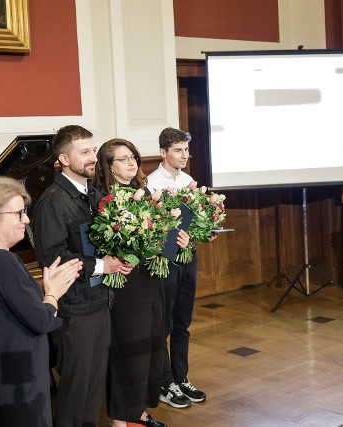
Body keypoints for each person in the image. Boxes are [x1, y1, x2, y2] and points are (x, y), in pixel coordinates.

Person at [0, 177, 83, 426]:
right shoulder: (2, 260)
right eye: (18, 213)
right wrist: (52, 294)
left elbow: (8, 305)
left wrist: (44, 287)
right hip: (18, 381)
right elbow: (42, 321)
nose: (26, 220)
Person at [32, 125, 132, 427]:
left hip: (100, 303)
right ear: (63, 159)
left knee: (92, 389)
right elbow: (53, 258)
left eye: (93, 149)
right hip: (74, 311)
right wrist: (104, 266)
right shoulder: (51, 203)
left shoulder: (95, 195)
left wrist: (124, 257)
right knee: (76, 393)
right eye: (84, 152)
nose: (93, 157)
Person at [92, 138, 191, 427]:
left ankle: (139, 412)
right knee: (128, 352)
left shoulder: (143, 192)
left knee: (152, 348)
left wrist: (178, 241)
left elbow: (161, 236)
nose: (131, 162)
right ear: (108, 166)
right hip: (126, 285)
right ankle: (121, 420)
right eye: (122, 159)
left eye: (133, 156)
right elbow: (111, 246)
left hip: (151, 281)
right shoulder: (103, 198)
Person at [147, 127, 208, 409]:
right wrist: (175, 239)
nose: (185, 155)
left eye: (186, 150)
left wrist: (201, 231)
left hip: (188, 258)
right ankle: (165, 382)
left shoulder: (188, 181)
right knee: (165, 324)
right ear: (163, 153)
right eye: (178, 150)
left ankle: (181, 377)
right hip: (165, 260)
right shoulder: (151, 183)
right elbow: (151, 228)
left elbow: (196, 220)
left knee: (183, 322)